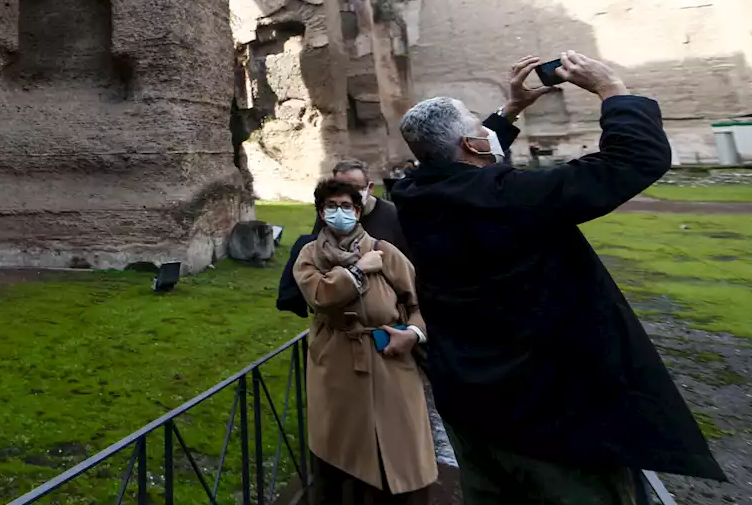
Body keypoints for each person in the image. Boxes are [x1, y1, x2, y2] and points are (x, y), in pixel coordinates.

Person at [391, 53, 725, 505]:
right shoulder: (509, 198)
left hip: (472, 407)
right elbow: (633, 159)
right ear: (472, 145)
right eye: (476, 123)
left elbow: (459, 163)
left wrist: (508, 112)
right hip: (550, 420)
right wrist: (612, 89)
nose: (484, 128)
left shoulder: (414, 196)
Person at [293, 179, 437, 504]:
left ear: (358, 211)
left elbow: (422, 302)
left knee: (401, 449)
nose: (339, 213)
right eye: (331, 206)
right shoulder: (309, 254)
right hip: (336, 361)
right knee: (340, 451)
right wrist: (358, 270)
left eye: (346, 206)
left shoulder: (385, 252)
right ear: (321, 211)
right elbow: (320, 295)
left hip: (389, 358)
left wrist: (413, 334)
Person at [277, 160, 411, 316]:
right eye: (340, 188)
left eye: (354, 188)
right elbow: (320, 248)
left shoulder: (393, 215)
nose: (345, 195)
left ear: (370, 188)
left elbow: (406, 267)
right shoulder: (332, 213)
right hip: (337, 298)